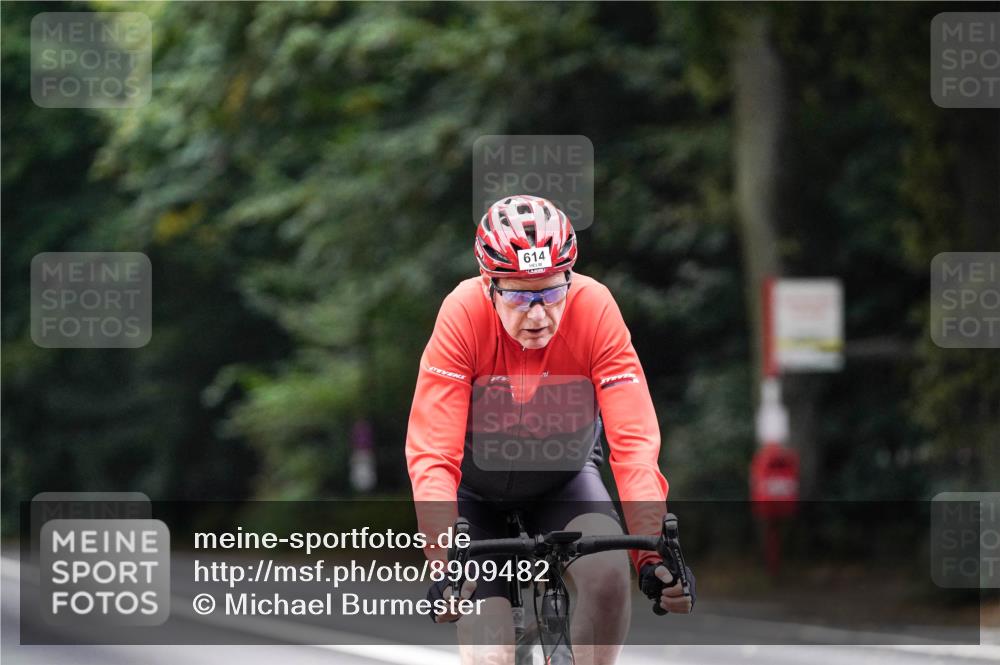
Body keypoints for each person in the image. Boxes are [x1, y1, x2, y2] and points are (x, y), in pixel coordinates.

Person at [406, 195, 694, 665]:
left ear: (569, 278)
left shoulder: (594, 309)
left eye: (552, 292)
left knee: (608, 578)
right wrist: (443, 559)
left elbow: (634, 444)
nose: (538, 315)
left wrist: (653, 554)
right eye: (520, 296)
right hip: (474, 494)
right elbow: (432, 453)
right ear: (489, 285)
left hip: (564, 480)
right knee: (492, 655)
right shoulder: (463, 313)